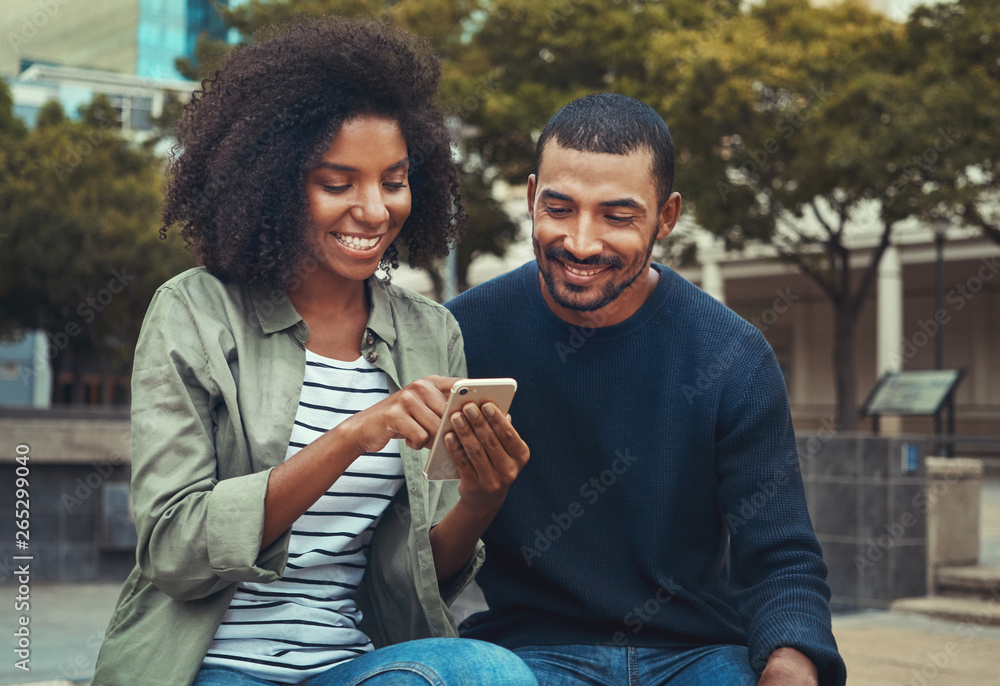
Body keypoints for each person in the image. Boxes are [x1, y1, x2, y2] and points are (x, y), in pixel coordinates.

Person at [92, 17, 535, 686]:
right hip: (210, 666)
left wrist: (481, 498)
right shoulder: (194, 312)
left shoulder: (429, 333)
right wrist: (353, 436)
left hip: (348, 667)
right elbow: (174, 551)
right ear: (271, 182)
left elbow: (418, 580)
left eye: (393, 180)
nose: (374, 209)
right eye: (337, 183)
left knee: (493, 673)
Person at [446, 93, 847, 686]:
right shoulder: (462, 335)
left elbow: (780, 555)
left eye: (617, 216)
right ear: (532, 198)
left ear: (666, 216)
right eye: (559, 208)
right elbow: (412, 552)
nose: (581, 243)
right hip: (528, 656)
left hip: (701, 656)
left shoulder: (733, 354)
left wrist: (792, 665)